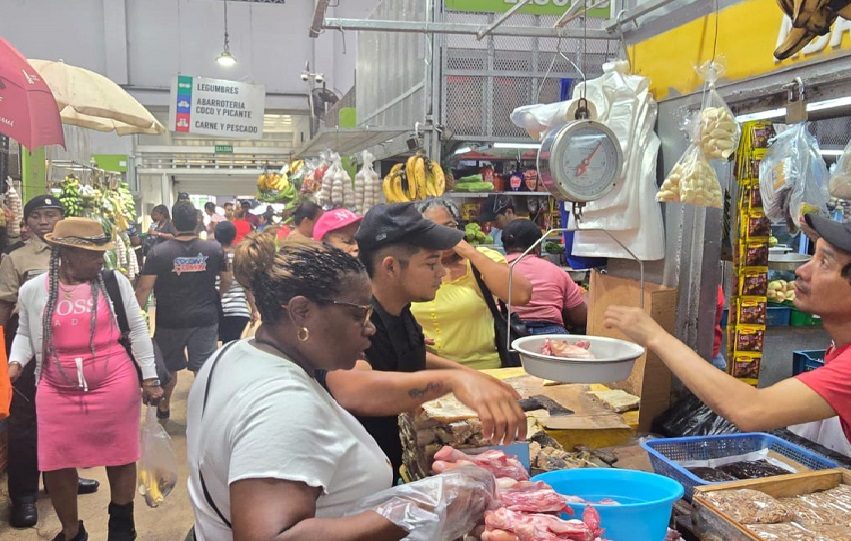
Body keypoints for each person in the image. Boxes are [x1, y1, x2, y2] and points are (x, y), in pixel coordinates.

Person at [186, 235, 492, 541]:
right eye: (357, 315)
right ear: (300, 312)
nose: (369, 328)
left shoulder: (234, 354)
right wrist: (418, 508)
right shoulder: (284, 404)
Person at [604, 215, 851, 455]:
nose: (801, 271)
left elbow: (752, 410)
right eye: (812, 256)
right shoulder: (838, 349)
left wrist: (655, 336)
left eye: (824, 262)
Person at [323, 203, 527, 483]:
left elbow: (409, 354)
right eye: (431, 264)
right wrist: (452, 382)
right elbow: (352, 388)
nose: (441, 273)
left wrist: (471, 376)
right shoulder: (357, 314)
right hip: (351, 485)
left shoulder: (400, 309)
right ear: (391, 267)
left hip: (384, 468)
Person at [7, 217, 163, 541]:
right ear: (66, 253)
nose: (100, 259)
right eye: (92, 254)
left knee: (120, 455)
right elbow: (24, 332)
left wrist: (149, 376)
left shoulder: (113, 282)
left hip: (113, 382)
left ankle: (121, 524)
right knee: (55, 459)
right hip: (55, 385)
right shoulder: (34, 290)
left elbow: (136, 329)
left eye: (100, 253)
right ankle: (71, 530)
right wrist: (16, 361)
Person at [0, 196, 99, 529]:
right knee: (26, 423)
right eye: (37, 216)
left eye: (51, 215)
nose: (44, 221)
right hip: (28, 349)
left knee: (70, 419)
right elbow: (5, 309)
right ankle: (25, 495)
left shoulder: (83, 255)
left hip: (74, 349)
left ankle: (67, 478)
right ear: (26, 223)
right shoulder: (16, 258)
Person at [135, 201, 231, 420]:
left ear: (173, 222)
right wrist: (218, 296)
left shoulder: (158, 253)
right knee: (204, 370)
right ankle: (203, 414)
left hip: (170, 320)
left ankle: (165, 407)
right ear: (197, 221)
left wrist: (133, 317)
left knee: (168, 369)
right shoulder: (214, 249)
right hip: (205, 318)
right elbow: (227, 279)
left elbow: (144, 288)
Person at [410, 198, 533, 370]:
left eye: (449, 227)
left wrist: (468, 251)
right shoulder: (408, 267)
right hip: (425, 371)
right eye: (432, 230)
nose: (442, 235)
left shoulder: (480, 260)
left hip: (483, 370)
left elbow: (521, 295)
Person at [502, 219, 587, 335]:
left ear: (505, 247)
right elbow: (580, 317)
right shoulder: (556, 272)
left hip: (507, 335)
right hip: (551, 335)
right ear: (537, 246)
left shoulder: (495, 269)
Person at [214, 221, 259, 342]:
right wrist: (254, 309)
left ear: (215, 235)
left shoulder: (211, 257)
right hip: (238, 311)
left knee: (212, 351)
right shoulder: (240, 257)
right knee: (230, 348)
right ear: (234, 236)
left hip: (215, 311)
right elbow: (247, 287)